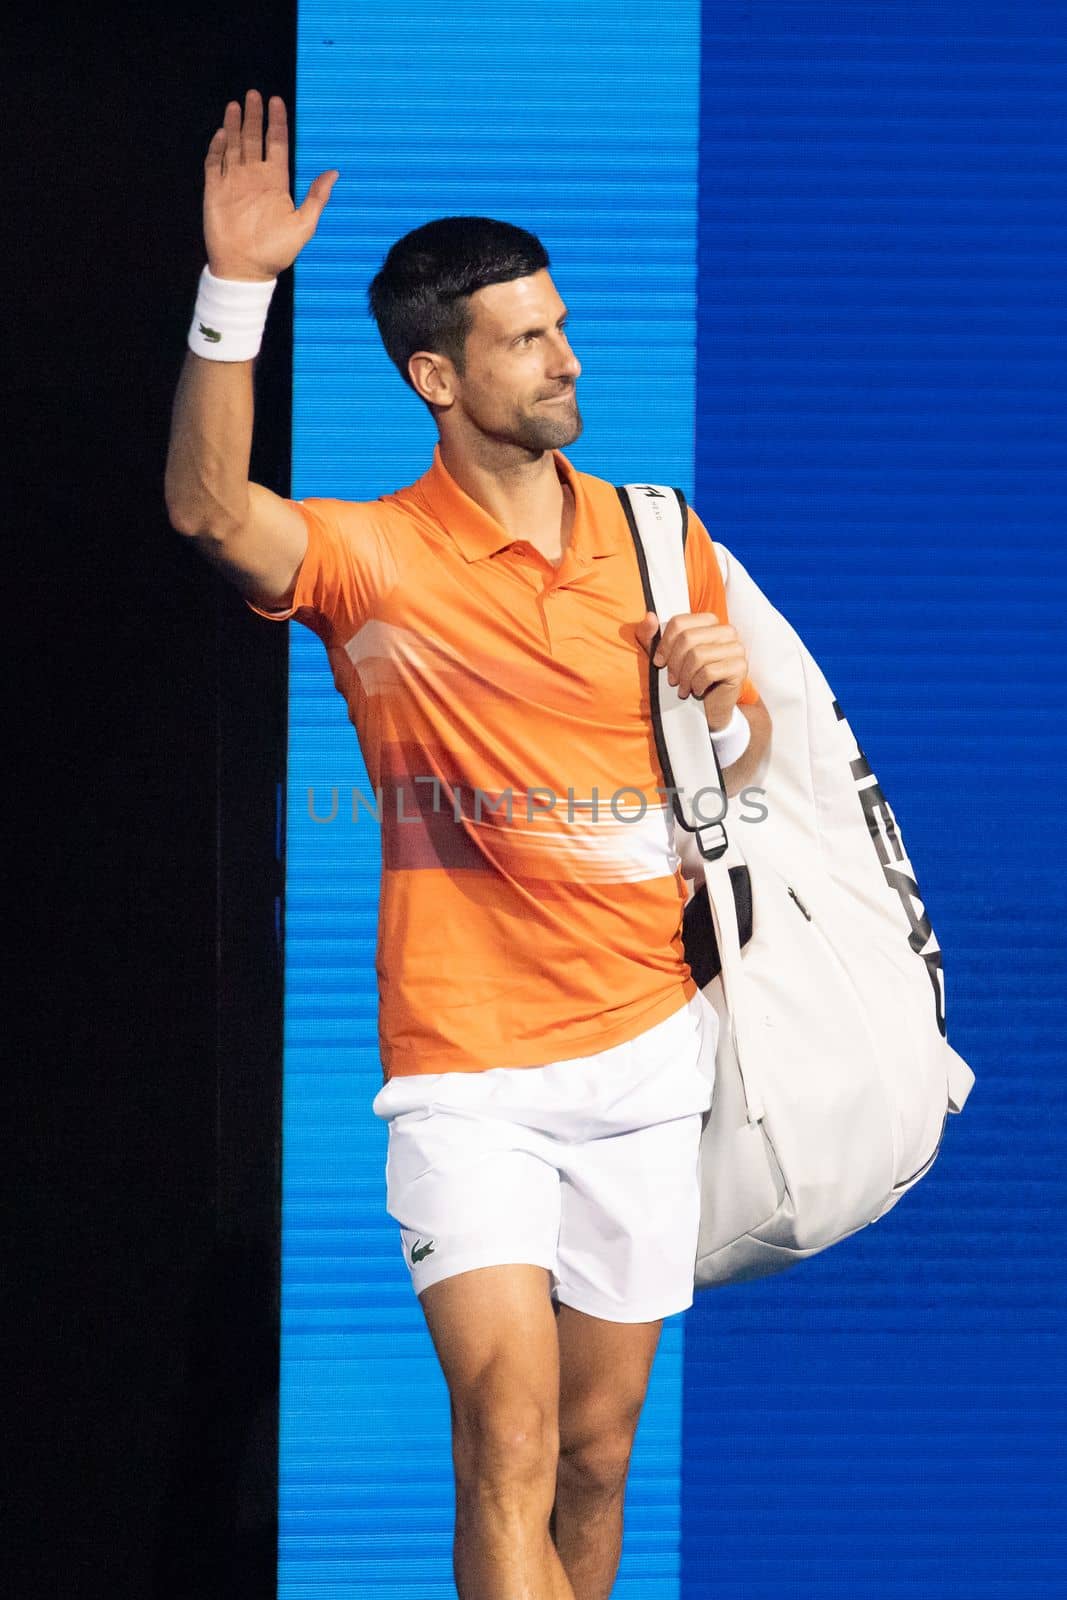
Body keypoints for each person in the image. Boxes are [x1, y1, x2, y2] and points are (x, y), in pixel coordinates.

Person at [165, 89, 771, 1600]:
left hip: (651, 1054)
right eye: (526, 339)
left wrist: (724, 702)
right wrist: (235, 287)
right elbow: (203, 510)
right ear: (437, 374)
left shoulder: (654, 528)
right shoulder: (370, 560)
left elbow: (740, 767)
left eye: (562, 327)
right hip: (472, 1072)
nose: (568, 359)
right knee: (502, 1439)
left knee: (594, 1456)